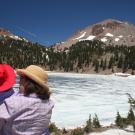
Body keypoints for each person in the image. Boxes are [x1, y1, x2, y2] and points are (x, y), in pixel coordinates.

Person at [0, 65, 54, 135]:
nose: (19, 82)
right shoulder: (49, 104)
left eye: (21, 78)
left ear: (28, 82)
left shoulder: (12, 103)